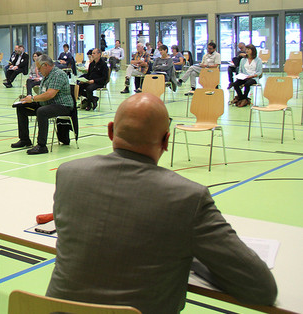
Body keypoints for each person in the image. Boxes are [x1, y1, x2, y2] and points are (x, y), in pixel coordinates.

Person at [46, 93, 277, 312]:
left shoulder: (69, 174)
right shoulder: (188, 198)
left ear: (111, 131)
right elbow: (261, 289)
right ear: (166, 141)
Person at [11, 55, 73, 155]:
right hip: (47, 104)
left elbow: (50, 94)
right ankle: (24, 139)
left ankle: (41, 145)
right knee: (21, 107)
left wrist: (32, 98)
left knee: (42, 111)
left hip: (62, 105)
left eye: (39, 68)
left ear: (46, 65)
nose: (39, 71)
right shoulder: (47, 76)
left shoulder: (58, 74)